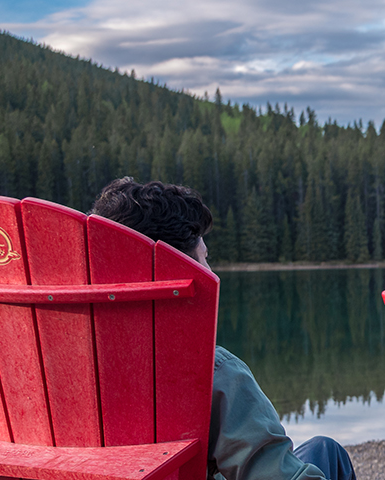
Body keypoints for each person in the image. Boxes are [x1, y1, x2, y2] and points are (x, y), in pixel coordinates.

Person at [90, 177, 359, 480]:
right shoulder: (208, 372)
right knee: (327, 457)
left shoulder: (52, 372)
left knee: (323, 449)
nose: (213, 274)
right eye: (204, 259)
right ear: (181, 276)